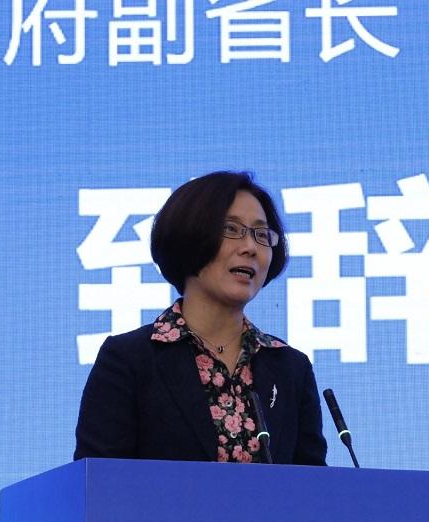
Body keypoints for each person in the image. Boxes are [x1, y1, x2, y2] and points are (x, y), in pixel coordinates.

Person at [74, 171, 326, 465]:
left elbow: (312, 485)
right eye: (231, 229)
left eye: (261, 234)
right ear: (188, 237)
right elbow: (98, 481)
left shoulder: (291, 368)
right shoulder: (129, 360)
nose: (250, 247)